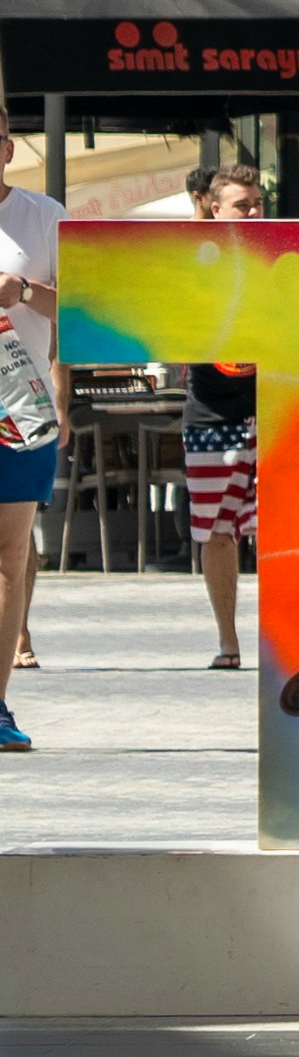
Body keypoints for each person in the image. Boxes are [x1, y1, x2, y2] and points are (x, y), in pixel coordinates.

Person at [183, 158, 266, 668]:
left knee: (283, 527)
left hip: (277, 404)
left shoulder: (282, 256)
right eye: (242, 205)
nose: (253, 213)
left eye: (258, 204)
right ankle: (228, 642)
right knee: (216, 532)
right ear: (214, 210)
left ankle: (288, 641)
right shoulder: (193, 259)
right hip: (212, 411)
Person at [0, 118, 55, 746]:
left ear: (9, 150)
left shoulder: (42, 216)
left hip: (21, 406)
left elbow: (86, 302)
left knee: (11, 556)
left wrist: (24, 290)